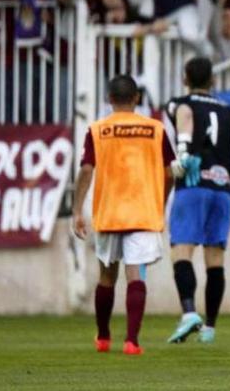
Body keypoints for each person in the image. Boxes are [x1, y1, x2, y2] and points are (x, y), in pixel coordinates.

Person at [164, 57, 230, 345]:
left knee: (181, 252)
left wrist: (184, 154)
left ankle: (189, 313)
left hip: (193, 184)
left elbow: (185, 116)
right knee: (215, 259)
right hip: (223, 190)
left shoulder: (180, 102)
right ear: (213, 81)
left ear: (185, 77)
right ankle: (209, 328)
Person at [72, 75, 174, 356]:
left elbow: (86, 170)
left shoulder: (97, 130)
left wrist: (76, 210)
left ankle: (103, 337)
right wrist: (161, 202)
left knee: (106, 275)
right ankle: (132, 341)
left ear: (109, 99)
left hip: (109, 211)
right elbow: (169, 172)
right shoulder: (156, 129)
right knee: (134, 276)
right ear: (137, 98)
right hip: (143, 210)